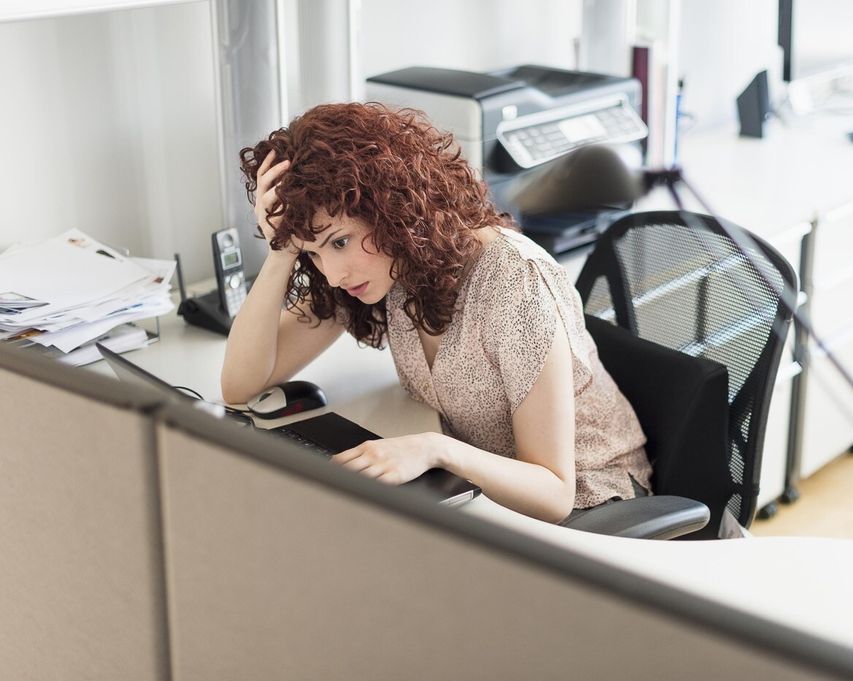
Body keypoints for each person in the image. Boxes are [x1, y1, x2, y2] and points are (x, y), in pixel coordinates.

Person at [222, 102, 651, 523]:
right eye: (311, 253)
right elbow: (241, 386)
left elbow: (555, 491)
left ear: (390, 209)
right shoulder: (385, 267)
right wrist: (281, 250)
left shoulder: (514, 283)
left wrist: (434, 449)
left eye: (338, 241)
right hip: (482, 495)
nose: (332, 275)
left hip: (592, 505)